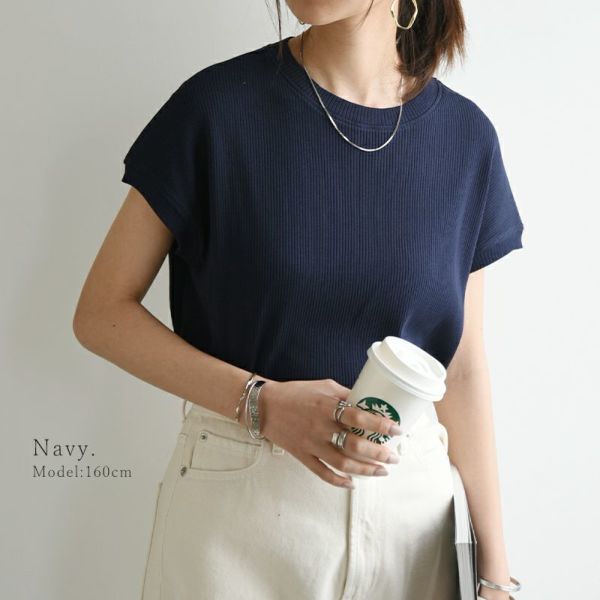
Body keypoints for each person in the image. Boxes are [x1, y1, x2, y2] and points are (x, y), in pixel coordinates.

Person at [73, 1, 525, 599]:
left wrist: (494, 573)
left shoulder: (466, 140)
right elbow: (102, 314)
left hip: (412, 522)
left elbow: (460, 369)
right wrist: (259, 403)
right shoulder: (216, 108)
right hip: (240, 514)